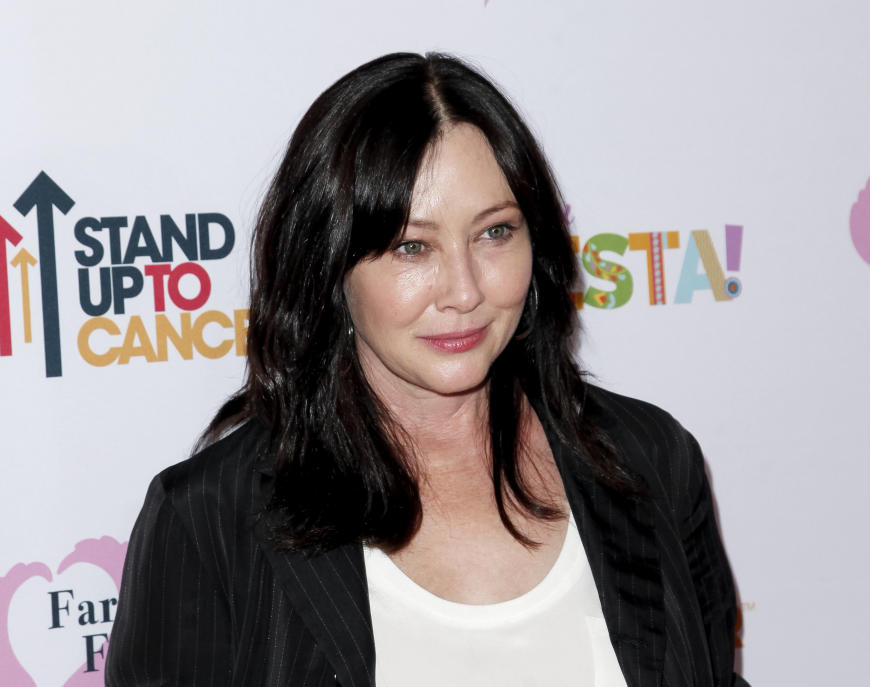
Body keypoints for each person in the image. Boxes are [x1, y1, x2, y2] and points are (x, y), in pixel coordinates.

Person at [105, 52, 748, 687]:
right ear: (329, 268)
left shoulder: (650, 458)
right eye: (413, 247)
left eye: (495, 233)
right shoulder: (210, 520)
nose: (463, 290)